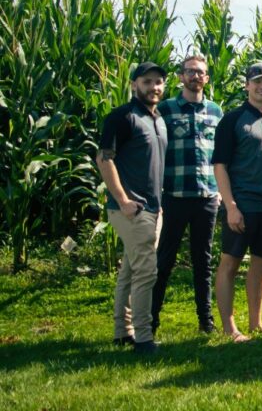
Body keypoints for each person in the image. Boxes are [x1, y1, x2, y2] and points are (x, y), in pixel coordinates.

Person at [95, 61, 168, 355]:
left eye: (158, 82)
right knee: (146, 273)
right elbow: (104, 158)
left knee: (130, 270)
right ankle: (143, 337)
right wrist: (123, 200)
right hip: (131, 208)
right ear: (134, 84)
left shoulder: (157, 118)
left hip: (152, 208)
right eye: (147, 81)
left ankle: (122, 332)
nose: (153, 87)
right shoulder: (122, 117)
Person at [151, 56, 224, 336]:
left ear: (206, 79)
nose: (196, 77)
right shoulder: (166, 109)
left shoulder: (215, 111)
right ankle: (151, 320)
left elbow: (219, 155)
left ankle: (205, 321)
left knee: (202, 261)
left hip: (206, 196)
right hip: (175, 195)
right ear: (181, 76)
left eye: (201, 73)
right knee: (164, 260)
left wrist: (218, 191)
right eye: (191, 72)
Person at [211, 62, 262, 342]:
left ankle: (256, 323)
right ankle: (230, 328)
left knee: (261, 264)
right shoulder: (233, 120)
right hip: (242, 205)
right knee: (230, 263)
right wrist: (230, 206)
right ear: (247, 85)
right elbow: (220, 165)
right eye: (258, 82)